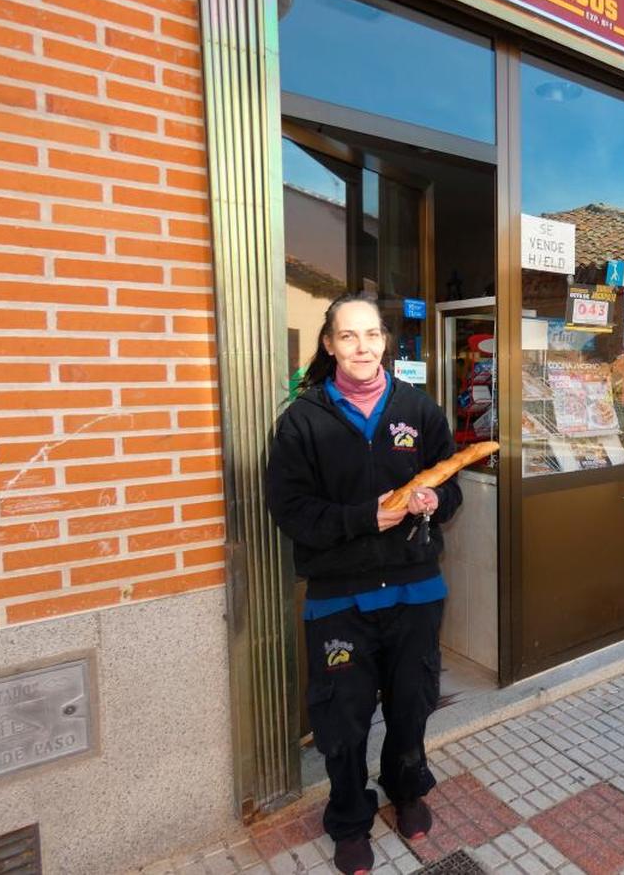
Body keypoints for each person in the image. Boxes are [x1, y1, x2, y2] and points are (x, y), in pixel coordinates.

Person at [266, 293, 462, 875]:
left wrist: (432, 500)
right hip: (339, 598)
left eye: (371, 335)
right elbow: (291, 510)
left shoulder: (418, 408)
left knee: (412, 704)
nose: (361, 347)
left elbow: (449, 486)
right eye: (347, 336)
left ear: (385, 342)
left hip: (415, 591)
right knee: (342, 717)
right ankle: (350, 817)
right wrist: (361, 518)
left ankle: (406, 789)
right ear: (329, 345)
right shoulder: (302, 420)